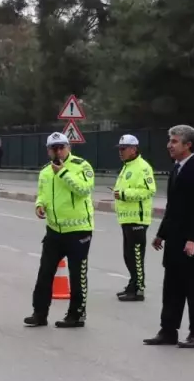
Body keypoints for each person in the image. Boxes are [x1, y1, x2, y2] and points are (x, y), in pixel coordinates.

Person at [144, 125, 194, 349]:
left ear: (188, 145)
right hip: (175, 241)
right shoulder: (176, 169)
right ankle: (168, 331)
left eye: (174, 141)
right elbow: (173, 207)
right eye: (170, 141)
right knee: (172, 289)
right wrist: (161, 234)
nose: (169, 145)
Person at [24, 132, 95, 329]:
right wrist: (39, 205)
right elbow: (42, 194)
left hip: (79, 230)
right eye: (54, 148)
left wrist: (63, 172)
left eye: (61, 147)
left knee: (77, 275)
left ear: (69, 148)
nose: (58, 151)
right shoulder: (45, 171)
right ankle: (39, 313)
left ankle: (76, 315)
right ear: (48, 150)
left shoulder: (82, 166)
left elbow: (84, 190)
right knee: (45, 272)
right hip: (54, 230)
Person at [112, 134, 156, 302]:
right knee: (128, 255)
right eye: (119, 149)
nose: (120, 152)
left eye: (123, 149)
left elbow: (148, 190)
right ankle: (132, 284)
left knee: (136, 255)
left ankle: (139, 289)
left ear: (133, 149)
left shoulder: (142, 167)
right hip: (126, 218)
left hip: (137, 219)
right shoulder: (127, 166)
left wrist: (123, 194)